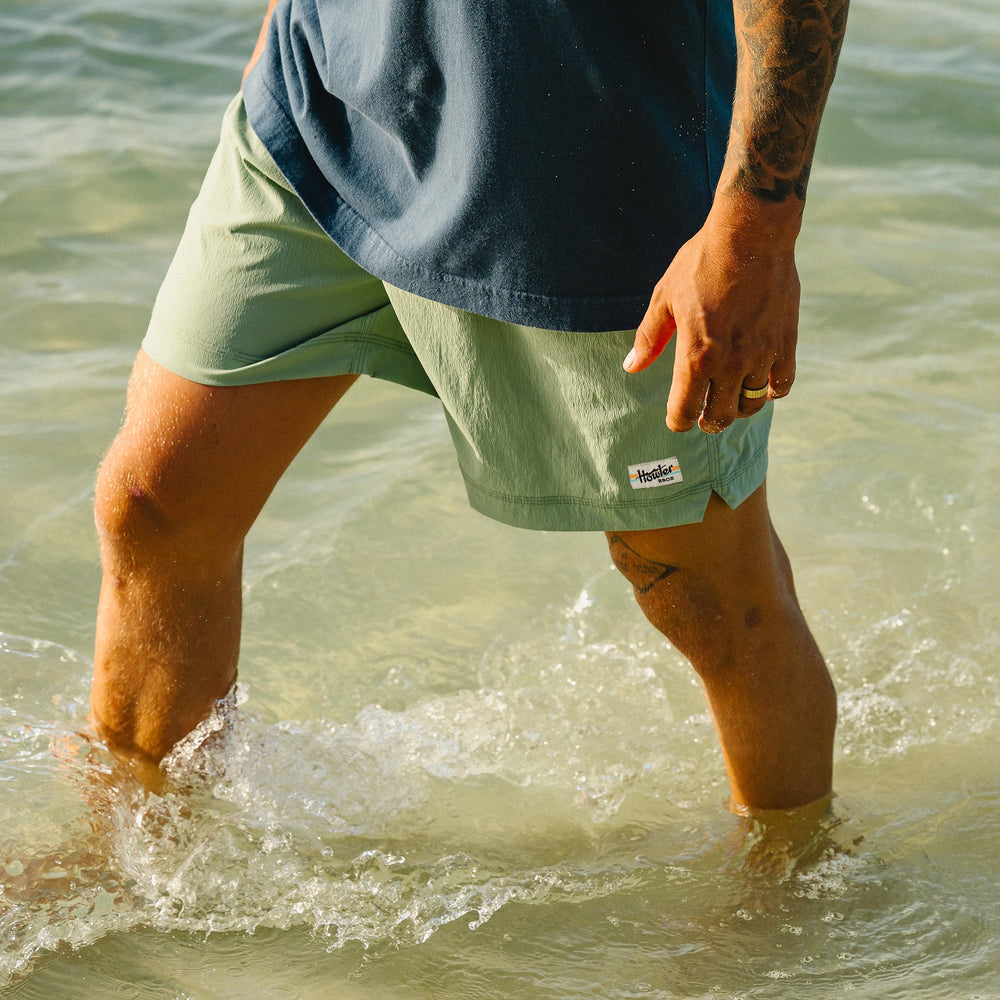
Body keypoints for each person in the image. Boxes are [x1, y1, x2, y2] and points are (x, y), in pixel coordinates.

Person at [89, 0, 849, 811]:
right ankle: (133, 841)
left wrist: (757, 227)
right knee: (155, 502)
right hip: (320, 110)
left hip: (596, 180)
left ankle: (783, 896)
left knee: (707, 598)